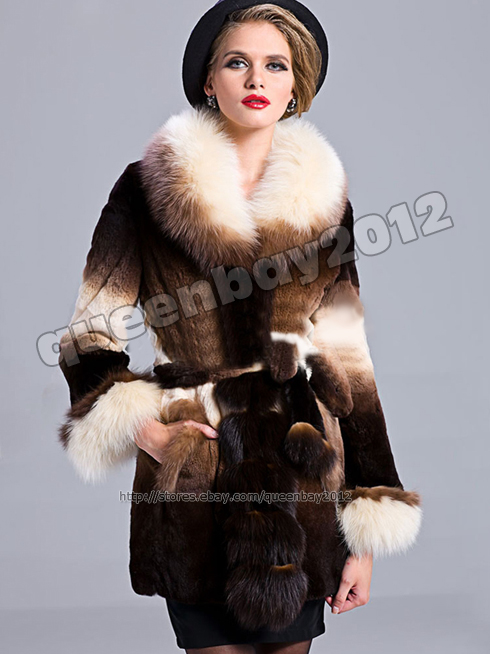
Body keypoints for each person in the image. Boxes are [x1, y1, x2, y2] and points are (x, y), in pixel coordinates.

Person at [56, 1, 423, 652]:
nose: (257, 79)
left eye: (275, 65)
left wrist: (366, 526)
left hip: (304, 478)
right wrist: (145, 430)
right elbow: (90, 335)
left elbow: (349, 363)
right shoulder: (146, 191)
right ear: (208, 80)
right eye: (237, 62)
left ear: (294, 86)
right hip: (197, 481)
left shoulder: (327, 205)